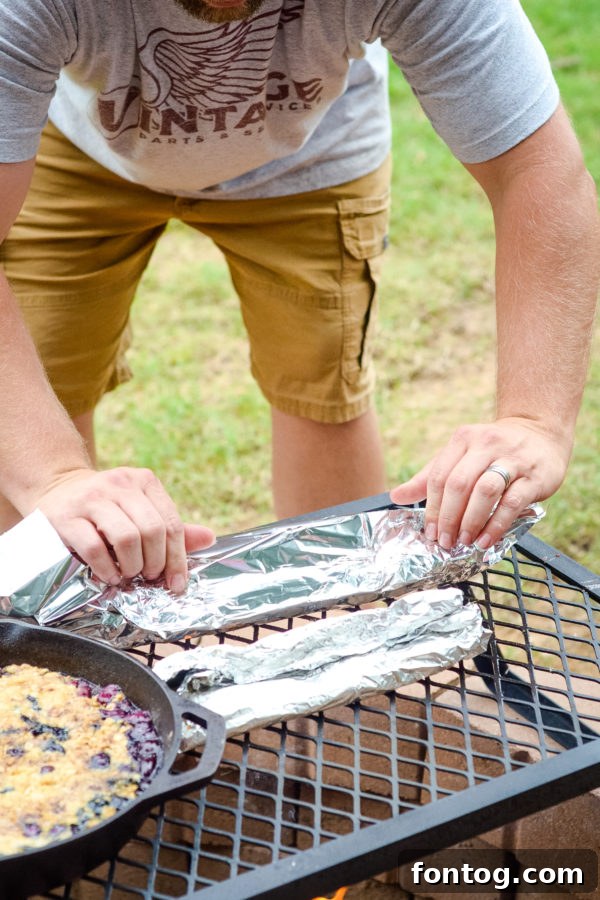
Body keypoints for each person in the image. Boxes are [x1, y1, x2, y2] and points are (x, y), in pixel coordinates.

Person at [0, 0, 598, 594]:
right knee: (35, 406)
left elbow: (537, 173)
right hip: (71, 146)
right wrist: (52, 477)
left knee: (319, 382)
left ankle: (352, 639)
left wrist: (534, 419)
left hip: (311, 151)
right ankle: (47, 658)